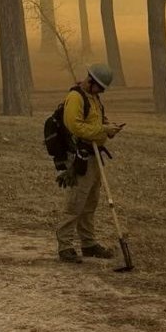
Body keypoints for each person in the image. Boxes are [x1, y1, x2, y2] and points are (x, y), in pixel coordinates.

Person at [55, 62, 123, 264]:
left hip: (95, 156)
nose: (101, 91)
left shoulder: (94, 99)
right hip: (79, 156)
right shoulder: (75, 97)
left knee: (90, 201)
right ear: (91, 81)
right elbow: (75, 126)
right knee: (76, 202)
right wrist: (102, 131)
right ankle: (65, 246)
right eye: (100, 87)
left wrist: (108, 127)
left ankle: (88, 243)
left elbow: (96, 121)